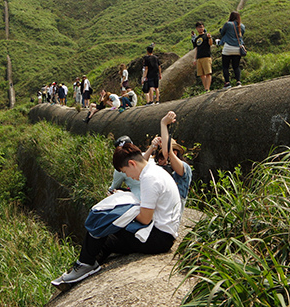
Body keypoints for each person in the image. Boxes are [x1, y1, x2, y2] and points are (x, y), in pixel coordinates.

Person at [52, 141, 182, 286]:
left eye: (125, 172)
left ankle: (84, 265)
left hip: (159, 237)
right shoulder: (153, 169)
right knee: (107, 240)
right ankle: (84, 266)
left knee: (104, 220)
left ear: (132, 163)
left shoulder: (149, 178)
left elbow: (145, 219)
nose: (129, 177)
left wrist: (122, 211)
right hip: (162, 232)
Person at [148, 111, 193, 207]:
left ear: (175, 153)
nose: (159, 160)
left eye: (160, 157)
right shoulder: (160, 168)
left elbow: (167, 153)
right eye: (158, 157)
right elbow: (141, 164)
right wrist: (152, 147)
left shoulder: (184, 169)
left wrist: (164, 124)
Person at [218, 11, 246, 87]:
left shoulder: (228, 24)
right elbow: (241, 35)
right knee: (236, 66)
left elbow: (222, 33)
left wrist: (221, 30)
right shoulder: (242, 26)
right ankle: (238, 82)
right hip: (238, 48)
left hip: (228, 48)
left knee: (225, 66)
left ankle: (227, 83)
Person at [191, 21, 213, 91]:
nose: (200, 28)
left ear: (203, 27)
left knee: (208, 73)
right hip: (199, 57)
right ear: (196, 29)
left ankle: (207, 88)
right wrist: (194, 59)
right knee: (201, 75)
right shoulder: (197, 38)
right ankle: (205, 88)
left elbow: (210, 44)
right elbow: (196, 48)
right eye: (199, 27)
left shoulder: (206, 36)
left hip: (206, 56)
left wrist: (209, 38)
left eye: (201, 27)